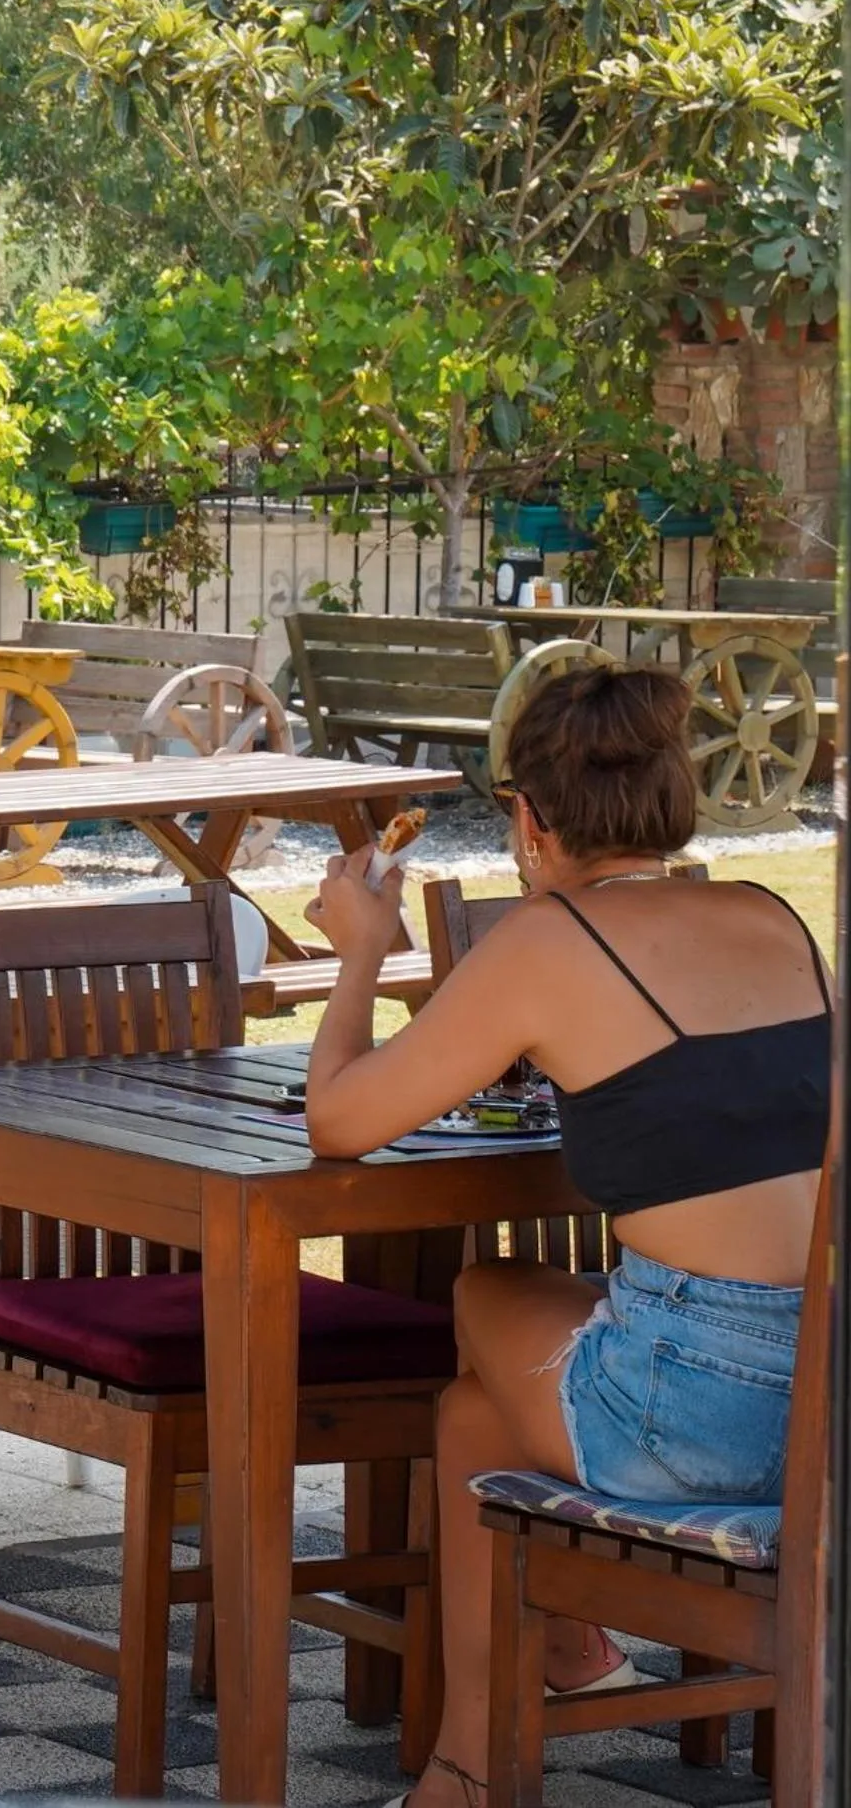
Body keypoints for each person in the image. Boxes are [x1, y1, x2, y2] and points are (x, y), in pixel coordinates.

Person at [300, 665, 829, 1808]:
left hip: (702, 1418)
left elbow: (339, 1121)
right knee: (471, 1414)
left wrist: (357, 949)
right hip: (826, 1404)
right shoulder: (773, 917)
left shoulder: (548, 941)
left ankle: (478, 1762)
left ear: (530, 822)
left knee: (483, 1291)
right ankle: (531, 1689)